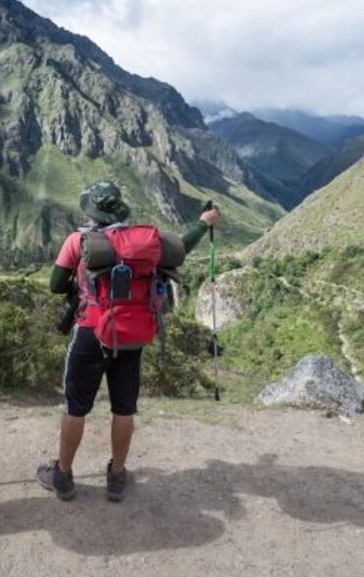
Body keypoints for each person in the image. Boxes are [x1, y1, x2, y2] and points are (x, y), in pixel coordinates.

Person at [36, 181, 219, 503]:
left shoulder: (78, 241)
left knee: (76, 407)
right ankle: (117, 476)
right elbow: (182, 247)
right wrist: (203, 224)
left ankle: (62, 476)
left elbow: (54, 284)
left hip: (91, 332)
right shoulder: (148, 243)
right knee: (124, 408)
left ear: (91, 211)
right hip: (132, 335)